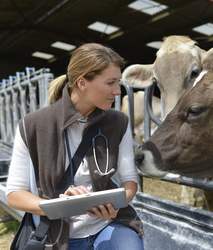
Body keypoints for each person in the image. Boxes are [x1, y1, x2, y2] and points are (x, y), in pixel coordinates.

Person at [6, 43, 144, 250]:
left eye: (118, 82)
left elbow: (130, 181)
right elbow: (14, 194)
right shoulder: (32, 125)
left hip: (107, 225)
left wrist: (116, 205)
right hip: (56, 233)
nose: (117, 91)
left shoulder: (118, 122)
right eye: (110, 83)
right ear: (82, 83)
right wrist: (58, 206)